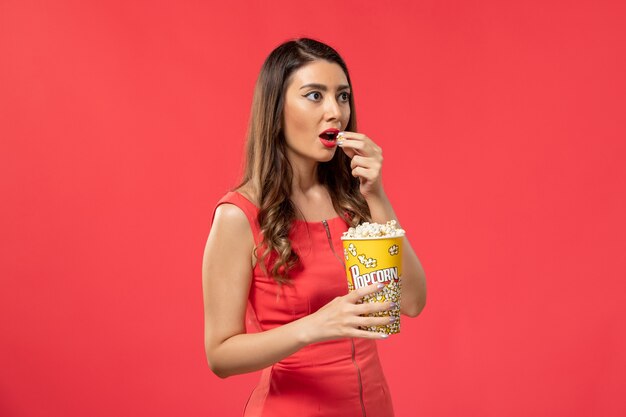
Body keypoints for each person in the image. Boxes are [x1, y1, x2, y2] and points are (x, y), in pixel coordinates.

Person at [202, 38, 427, 417]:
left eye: (342, 96)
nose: (334, 112)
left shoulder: (351, 199)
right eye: (314, 96)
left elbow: (412, 301)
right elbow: (220, 355)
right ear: (277, 109)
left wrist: (377, 196)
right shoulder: (239, 215)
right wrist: (317, 325)